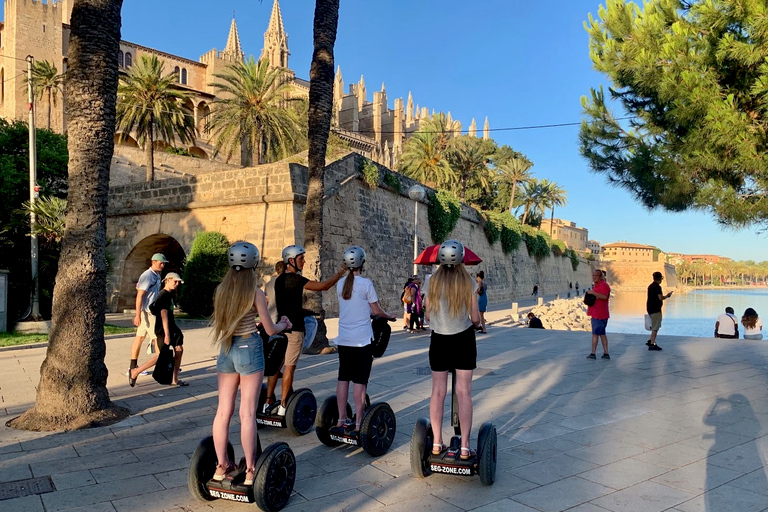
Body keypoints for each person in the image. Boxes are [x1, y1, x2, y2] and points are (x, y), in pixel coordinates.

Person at [209, 242, 292, 485]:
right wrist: (284, 325)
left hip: (226, 348)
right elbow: (270, 328)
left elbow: (227, 324)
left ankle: (221, 465)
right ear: (253, 264)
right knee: (246, 413)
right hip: (249, 349)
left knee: (223, 411)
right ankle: (251, 470)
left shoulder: (221, 290)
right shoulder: (255, 292)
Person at [266, 244, 346, 416]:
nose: (304, 261)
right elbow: (324, 286)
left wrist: (302, 311)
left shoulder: (279, 280)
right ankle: (283, 406)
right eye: (301, 258)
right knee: (289, 367)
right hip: (294, 330)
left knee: (276, 365)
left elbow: (287, 304)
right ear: (291, 260)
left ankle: (267, 402)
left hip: (280, 328)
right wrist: (340, 273)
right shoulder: (297, 280)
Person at [425, 240, 481, 461]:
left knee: (438, 392)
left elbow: (428, 316)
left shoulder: (431, 282)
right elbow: (475, 318)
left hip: (439, 339)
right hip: (463, 340)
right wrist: (474, 324)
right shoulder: (468, 282)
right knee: (464, 392)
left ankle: (437, 443)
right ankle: (465, 447)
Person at [333, 246, 396, 433]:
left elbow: (356, 307)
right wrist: (389, 316)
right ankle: (359, 423)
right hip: (361, 341)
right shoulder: (366, 284)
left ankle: (341, 419)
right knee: (360, 382)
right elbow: (376, 310)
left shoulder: (340, 284)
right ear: (362, 263)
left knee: (343, 379)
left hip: (343, 339)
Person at [128, 272, 187, 386]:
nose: (177, 284)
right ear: (167, 280)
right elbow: (164, 315)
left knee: (179, 349)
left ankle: (174, 379)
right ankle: (135, 371)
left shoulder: (170, 294)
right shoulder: (162, 295)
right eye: (175, 281)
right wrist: (167, 334)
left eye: (178, 282)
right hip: (163, 330)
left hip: (172, 328)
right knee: (161, 356)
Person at [128, 253, 167, 376]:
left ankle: (132, 367)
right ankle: (161, 365)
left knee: (140, 337)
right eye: (161, 263)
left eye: (164, 263)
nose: (163, 265)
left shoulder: (156, 275)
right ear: (153, 262)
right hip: (149, 313)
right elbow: (140, 296)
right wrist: (137, 314)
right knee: (156, 338)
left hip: (151, 311)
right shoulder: (147, 276)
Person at [585, 269, 611, 360]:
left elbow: (604, 296)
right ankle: (606, 353)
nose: (594, 277)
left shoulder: (604, 285)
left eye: (596, 276)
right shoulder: (596, 285)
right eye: (593, 276)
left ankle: (593, 353)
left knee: (595, 334)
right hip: (598, 313)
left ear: (600, 277)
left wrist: (592, 293)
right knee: (602, 334)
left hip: (599, 314)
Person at [646, 271, 672, 351]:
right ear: (660, 278)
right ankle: (652, 344)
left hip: (650, 308)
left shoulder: (650, 286)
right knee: (655, 328)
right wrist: (667, 296)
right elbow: (660, 298)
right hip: (656, 309)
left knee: (654, 325)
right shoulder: (657, 287)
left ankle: (651, 340)